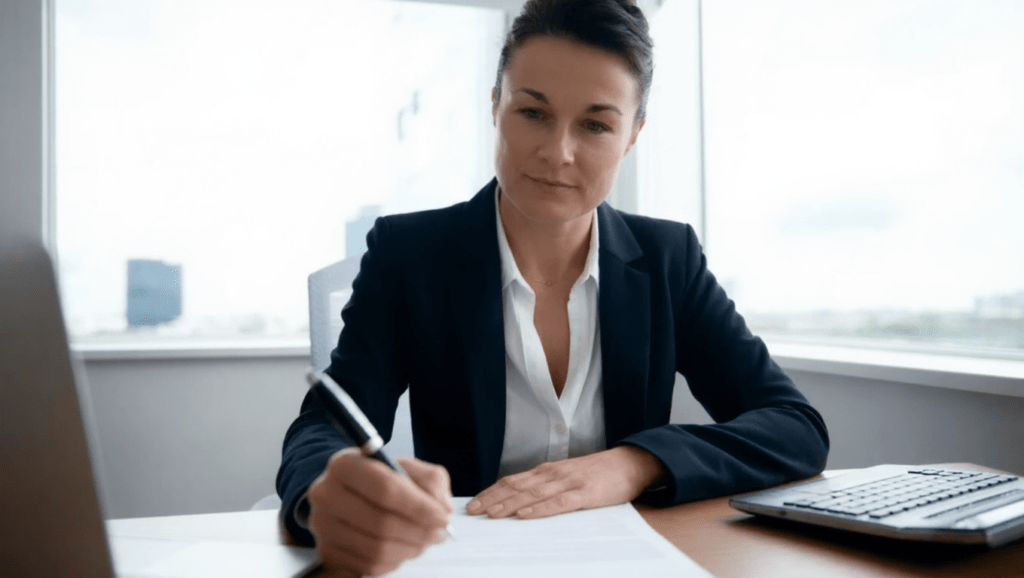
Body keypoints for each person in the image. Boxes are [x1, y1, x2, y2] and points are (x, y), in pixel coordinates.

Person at [277, 0, 829, 575]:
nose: (557, 152)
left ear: (633, 135)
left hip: (625, 562)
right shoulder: (409, 254)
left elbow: (793, 426)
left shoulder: (669, 259)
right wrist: (323, 498)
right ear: (495, 107)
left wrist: (634, 464)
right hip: (469, 561)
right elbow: (322, 430)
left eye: (595, 124)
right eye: (533, 113)